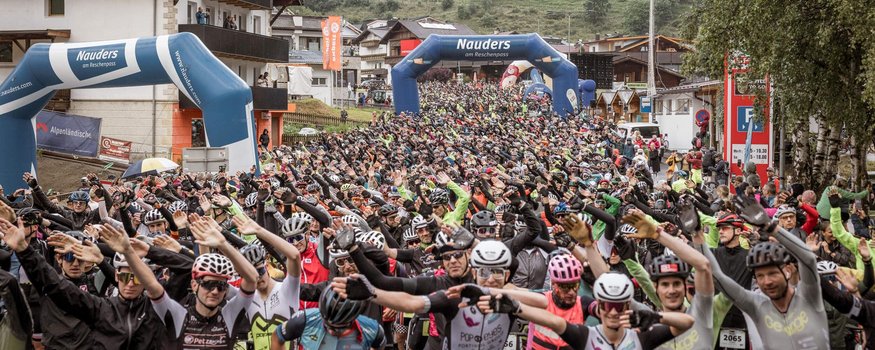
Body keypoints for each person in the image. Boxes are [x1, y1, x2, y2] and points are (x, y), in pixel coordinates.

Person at [329, 240, 519, 349]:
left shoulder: (510, 295)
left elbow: (509, 262)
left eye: (458, 254)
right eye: (446, 257)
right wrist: (373, 293)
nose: (453, 260)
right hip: (437, 339)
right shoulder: (449, 292)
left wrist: (473, 242)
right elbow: (410, 303)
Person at [112, 213, 259, 349]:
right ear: (194, 284)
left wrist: (223, 244)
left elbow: (252, 279)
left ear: (226, 290)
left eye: (221, 286)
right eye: (208, 285)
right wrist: (138, 252)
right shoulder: (179, 316)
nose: (215, 291)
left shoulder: (229, 316)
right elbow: (152, 286)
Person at [701, 194, 829, 350]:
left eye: (772, 274)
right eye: (760, 276)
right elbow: (706, 267)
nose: (767, 281)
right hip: (720, 319)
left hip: (742, 320)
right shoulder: (751, 301)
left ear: (787, 271)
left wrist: (769, 226)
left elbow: (807, 260)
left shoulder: (806, 297)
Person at [271, 286, 384, 350]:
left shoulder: (373, 330)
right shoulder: (304, 319)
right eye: (327, 325)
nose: (331, 330)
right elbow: (277, 336)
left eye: (338, 328)